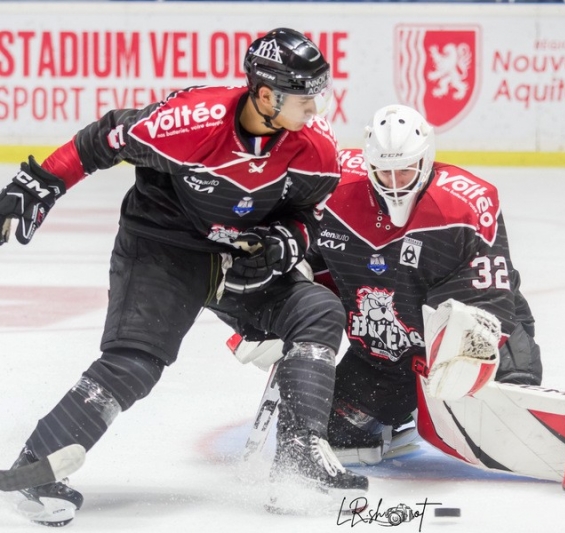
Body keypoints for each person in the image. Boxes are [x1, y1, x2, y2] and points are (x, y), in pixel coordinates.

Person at [0, 28, 367, 526]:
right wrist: (41, 181)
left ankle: (298, 460)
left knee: (318, 310)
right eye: (304, 98)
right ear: (264, 95)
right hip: (162, 248)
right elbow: (103, 138)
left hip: (239, 258)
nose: (315, 110)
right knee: (135, 363)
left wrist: (285, 243)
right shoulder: (190, 120)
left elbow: (311, 215)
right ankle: (34, 468)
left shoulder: (314, 148)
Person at [230, 104, 565, 492]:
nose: (393, 182)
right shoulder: (332, 191)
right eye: (382, 171)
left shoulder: (466, 204)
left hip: (480, 344)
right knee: (326, 429)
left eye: (404, 169)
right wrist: (268, 313)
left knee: (500, 421)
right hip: (384, 356)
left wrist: (463, 361)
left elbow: (491, 303)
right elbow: (296, 254)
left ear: (426, 160)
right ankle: (392, 421)